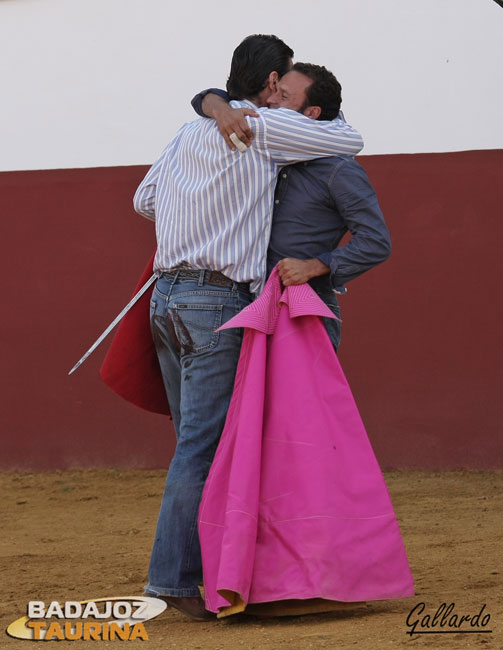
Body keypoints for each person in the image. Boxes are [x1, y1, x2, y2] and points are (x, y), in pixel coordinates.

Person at [133, 34, 364, 620]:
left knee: (193, 441)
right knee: (204, 448)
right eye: (282, 83)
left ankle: (204, 569)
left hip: (166, 298)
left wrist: (209, 114)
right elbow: (348, 138)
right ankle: (177, 581)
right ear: (267, 86)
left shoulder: (189, 132)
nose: (283, 94)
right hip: (215, 302)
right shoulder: (261, 125)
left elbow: (144, 199)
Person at [192, 63, 391, 351]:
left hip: (306, 310)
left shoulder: (341, 170)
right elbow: (216, 97)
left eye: (284, 96)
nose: (271, 101)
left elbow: (377, 241)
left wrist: (316, 265)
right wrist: (214, 104)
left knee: (302, 397)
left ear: (312, 114)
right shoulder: (276, 150)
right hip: (260, 306)